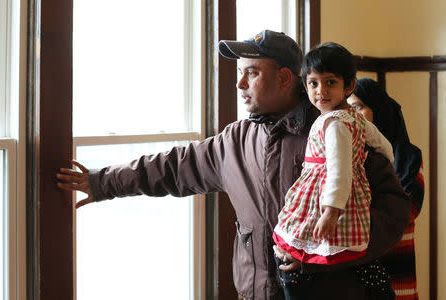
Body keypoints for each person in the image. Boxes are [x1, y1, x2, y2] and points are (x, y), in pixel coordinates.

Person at [57, 30, 410, 300]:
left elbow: (394, 213)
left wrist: (322, 254)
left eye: (251, 73)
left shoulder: (339, 131)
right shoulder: (234, 141)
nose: (239, 84)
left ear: (286, 79)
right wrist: (100, 182)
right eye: (240, 73)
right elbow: (169, 167)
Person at [272, 42, 395, 299]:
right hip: (340, 195)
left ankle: (295, 286)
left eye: (330, 82)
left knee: (295, 244)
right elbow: (383, 146)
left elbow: (339, 168)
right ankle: (376, 282)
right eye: (313, 83)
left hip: (328, 197)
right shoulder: (355, 118)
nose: (321, 91)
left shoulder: (335, 123)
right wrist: (386, 161)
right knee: (336, 249)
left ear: (348, 86)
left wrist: (330, 211)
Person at [348, 78, 424, 300]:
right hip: (355, 272)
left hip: (396, 270)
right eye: (348, 109)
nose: (352, 116)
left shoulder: (408, 157)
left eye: (358, 107)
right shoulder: (348, 154)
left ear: (378, 109)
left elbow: (406, 212)